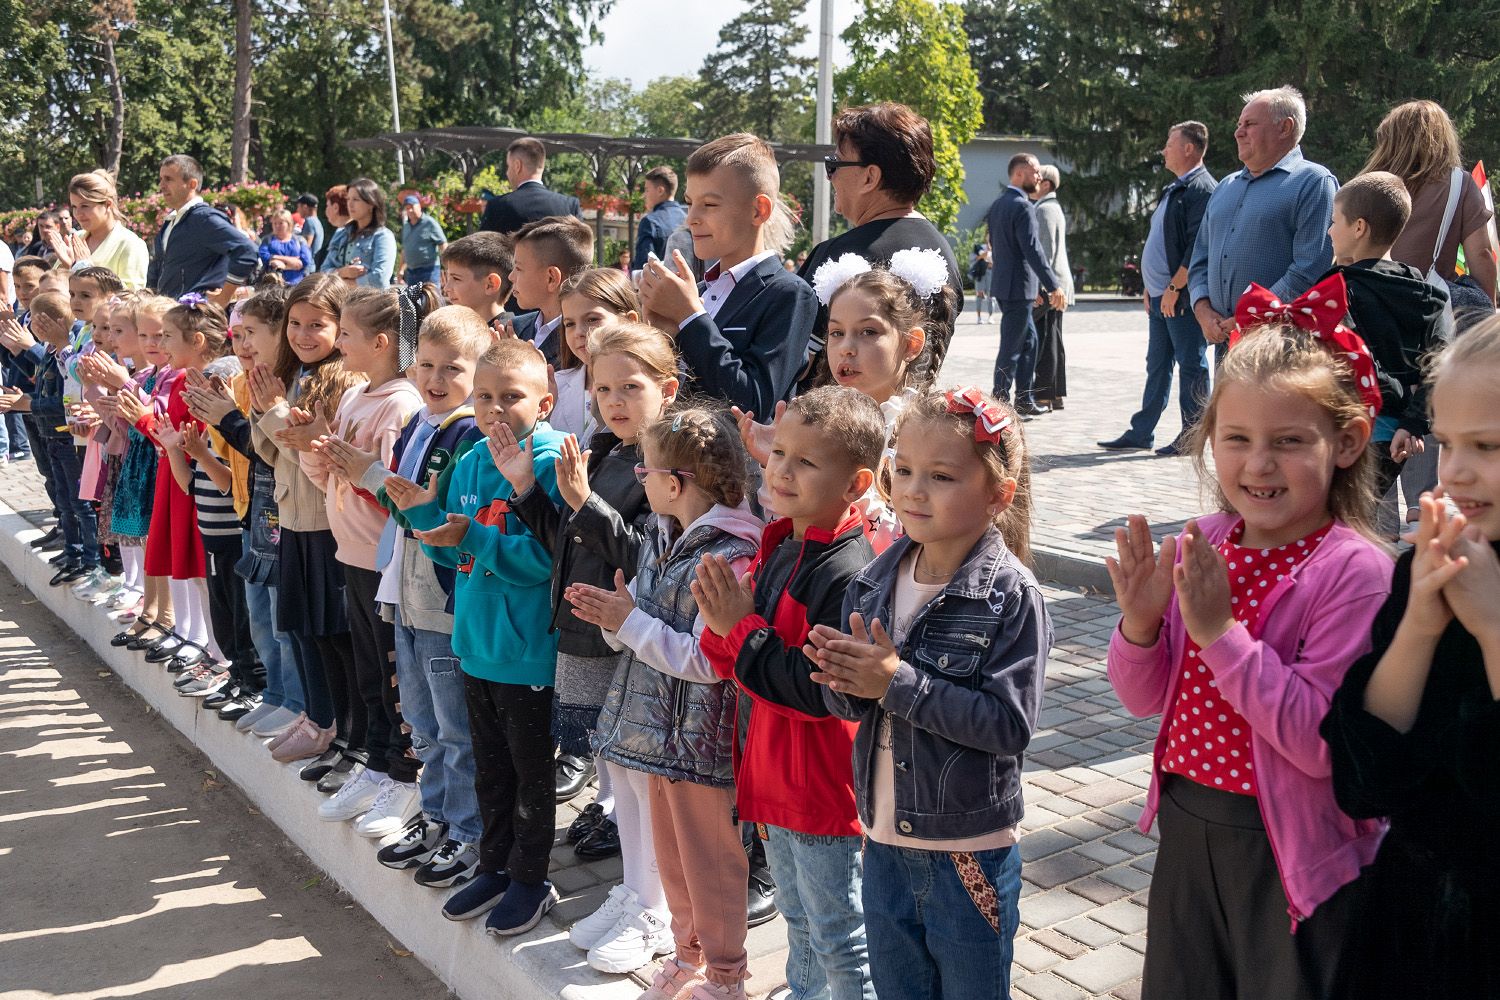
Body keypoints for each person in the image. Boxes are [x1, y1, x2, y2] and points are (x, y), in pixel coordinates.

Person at [1106, 319, 1390, 998]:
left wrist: (1220, 634)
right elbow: (1143, 700)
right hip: (1188, 825)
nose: (1258, 464)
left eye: (1289, 441)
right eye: (1237, 439)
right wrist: (1141, 625)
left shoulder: (1354, 573)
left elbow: (1322, 742)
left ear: (1346, 443)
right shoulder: (1205, 541)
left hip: (1289, 846)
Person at [811, 386, 1049, 1000]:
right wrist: (843, 680)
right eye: (906, 469)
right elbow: (860, 707)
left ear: (998, 493)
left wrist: (895, 682)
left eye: (941, 476)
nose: (914, 490)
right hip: (884, 841)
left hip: (966, 854)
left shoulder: (1011, 596)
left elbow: (1007, 725)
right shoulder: (873, 579)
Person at [1321, 320, 1500, 1000]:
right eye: (1448, 441)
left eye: (1487, 446)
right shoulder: (1430, 567)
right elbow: (1364, 783)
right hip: (1406, 932)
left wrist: (1491, 628)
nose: (1453, 469)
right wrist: (1421, 625)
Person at [567, 407, 763, 1000]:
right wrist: (616, 618)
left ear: (675, 482)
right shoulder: (670, 534)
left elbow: (710, 661)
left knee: (710, 867)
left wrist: (627, 623)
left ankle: (725, 976)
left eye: (644, 468)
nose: (638, 477)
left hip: (700, 742)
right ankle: (686, 958)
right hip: (662, 735)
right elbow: (648, 627)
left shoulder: (727, 554)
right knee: (674, 865)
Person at [697, 385, 885, 1000]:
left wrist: (738, 627)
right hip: (772, 777)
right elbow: (739, 661)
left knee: (839, 936)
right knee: (800, 922)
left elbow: (812, 689)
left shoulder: (848, 571)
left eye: (805, 462)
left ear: (857, 484)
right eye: (780, 454)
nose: (781, 469)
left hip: (821, 788)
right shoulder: (784, 541)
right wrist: (727, 626)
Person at [508, 324, 680, 972]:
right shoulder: (607, 448)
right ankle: (635, 891)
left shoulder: (671, 461)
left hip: (642, 642)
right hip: (596, 634)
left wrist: (584, 504)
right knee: (623, 776)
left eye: (630, 387)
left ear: (667, 389)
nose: (614, 399)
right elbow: (568, 541)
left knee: (646, 779)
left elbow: (652, 558)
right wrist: (531, 494)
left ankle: (658, 908)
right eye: (603, 386)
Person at [392, 337, 567, 937]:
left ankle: (530, 877)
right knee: (490, 770)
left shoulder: (547, 463)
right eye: (485, 396)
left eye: (512, 397)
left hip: (526, 652)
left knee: (528, 773)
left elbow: (544, 560)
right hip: (475, 645)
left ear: (544, 403)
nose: (495, 409)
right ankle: (493, 864)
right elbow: (449, 533)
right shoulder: (468, 460)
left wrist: (469, 537)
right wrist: (418, 513)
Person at [340, 307, 489, 889]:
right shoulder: (421, 424)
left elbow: (425, 508)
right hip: (403, 591)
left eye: (453, 367)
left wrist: (369, 473)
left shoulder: (470, 434)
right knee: (422, 722)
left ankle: (467, 833)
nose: (435, 377)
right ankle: (435, 816)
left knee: (455, 728)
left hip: (441, 600)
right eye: (425, 364)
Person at [249, 273, 363, 764]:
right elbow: (271, 453)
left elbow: (315, 456)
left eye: (317, 324)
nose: (302, 335)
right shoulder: (295, 375)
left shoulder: (344, 380)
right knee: (300, 626)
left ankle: (339, 729)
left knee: (332, 633)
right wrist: (269, 413)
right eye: (295, 323)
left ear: (342, 327)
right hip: (291, 520)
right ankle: (319, 715)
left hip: (327, 524)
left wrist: (275, 415)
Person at [637, 132, 818, 415]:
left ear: (759, 211)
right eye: (689, 202)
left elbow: (754, 403)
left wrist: (690, 317)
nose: (691, 218)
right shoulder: (700, 290)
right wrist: (660, 335)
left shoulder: (789, 294)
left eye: (709, 204)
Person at [1322, 172, 1452, 538]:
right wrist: (1412, 422)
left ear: (1359, 227)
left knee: (1341, 531)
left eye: (1335, 222)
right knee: (1363, 530)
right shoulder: (1428, 294)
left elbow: (1344, 354)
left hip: (1348, 434)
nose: (1330, 232)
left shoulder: (1336, 289)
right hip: (1399, 437)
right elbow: (1439, 363)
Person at [799, 103, 963, 384]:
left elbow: (794, 363)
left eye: (834, 165)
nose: (831, 177)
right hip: (910, 420)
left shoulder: (837, 256)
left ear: (869, 177)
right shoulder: (941, 253)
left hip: (837, 423)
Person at [1188, 87, 1338, 365]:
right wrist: (1202, 309)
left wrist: (1249, 317)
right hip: (1225, 345)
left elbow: (1309, 269)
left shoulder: (1314, 183)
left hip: (1279, 348)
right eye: (1239, 125)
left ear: (1285, 127)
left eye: (1250, 124)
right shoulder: (1225, 187)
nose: (1238, 132)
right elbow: (1200, 259)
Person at [1101, 122, 1218, 456]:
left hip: (1179, 296)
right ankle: (1142, 432)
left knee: (1191, 363)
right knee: (1157, 364)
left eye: (1170, 144)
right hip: (1159, 295)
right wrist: (1151, 288)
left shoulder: (1202, 189)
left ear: (1189, 149)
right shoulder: (1176, 188)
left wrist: (1173, 286)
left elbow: (1197, 245)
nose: (1164, 150)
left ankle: (1193, 435)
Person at [1365, 100, 1497, 314]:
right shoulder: (1459, 184)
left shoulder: (1369, 183)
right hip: (1428, 308)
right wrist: (1485, 314)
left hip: (1371, 300)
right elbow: (1481, 254)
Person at [986, 153, 1068, 417]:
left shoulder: (999, 204)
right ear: (1019, 174)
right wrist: (1053, 286)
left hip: (1012, 286)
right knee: (1011, 348)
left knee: (1030, 342)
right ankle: (999, 403)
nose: (1039, 177)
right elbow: (1032, 250)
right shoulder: (1021, 206)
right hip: (1017, 287)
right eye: (1035, 172)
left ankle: (1023, 399)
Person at [146, 155, 259, 303]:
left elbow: (247, 251)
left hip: (195, 320)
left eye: (168, 179)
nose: (161, 185)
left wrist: (223, 298)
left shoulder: (203, 218)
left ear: (192, 184)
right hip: (169, 317)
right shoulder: (171, 220)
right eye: (161, 179)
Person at [510, 215, 595, 368]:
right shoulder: (515, 329)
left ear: (551, 278)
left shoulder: (581, 344)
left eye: (518, 268)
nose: (511, 277)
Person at [45, 170, 150, 290]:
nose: (78, 214)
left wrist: (85, 269)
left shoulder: (130, 244)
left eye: (85, 206)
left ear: (107, 205)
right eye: (74, 207)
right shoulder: (75, 239)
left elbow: (131, 298)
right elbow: (52, 290)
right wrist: (65, 267)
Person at [1031, 164, 1074, 411]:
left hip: (1050, 285)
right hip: (1057, 283)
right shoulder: (1053, 208)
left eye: (1038, 178)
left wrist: (1040, 286)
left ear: (1046, 184)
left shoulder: (1045, 210)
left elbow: (1044, 252)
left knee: (1045, 340)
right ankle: (1055, 394)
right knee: (1053, 339)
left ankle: (1044, 393)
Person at [479, 137, 582, 235]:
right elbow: (581, 251)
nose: (507, 173)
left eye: (508, 166)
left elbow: (482, 252)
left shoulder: (497, 207)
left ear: (517, 166)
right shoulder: (570, 206)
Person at [440, 231, 527, 339]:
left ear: (491, 284)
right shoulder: (461, 331)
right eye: (448, 278)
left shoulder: (508, 336)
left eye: (456, 278)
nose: (447, 288)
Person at [331, 178, 396, 289]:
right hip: (342, 303)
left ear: (371, 203)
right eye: (348, 199)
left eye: (356, 199)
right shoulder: (341, 234)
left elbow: (379, 279)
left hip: (371, 304)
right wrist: (343, 272)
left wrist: (341, 284)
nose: (350, 204)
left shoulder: (383, 237)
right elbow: (324, 271)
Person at [632, 166, 688, 269]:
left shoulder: (649, 222)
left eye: (647, 190)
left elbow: (644, 268)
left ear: (660, 191)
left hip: (660, 284)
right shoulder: (688, 220)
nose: (644, 195)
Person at [400, 196, 447, 287]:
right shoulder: (406, 227)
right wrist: (400, 270)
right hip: (411, 273)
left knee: (431, 299)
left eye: (412, 207)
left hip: (429, 271)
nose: (410, 210)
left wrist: (448, 267)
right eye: (407, 208)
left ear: (419, 206)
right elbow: (405, 250)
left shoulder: (430, 223)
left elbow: (443, 244)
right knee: (413, 301)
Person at [259, 210, 314, 285]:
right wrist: (293, 261)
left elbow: (305, 260)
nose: (277, 226)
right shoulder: (267, 240)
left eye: (281, 223)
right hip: (273, 284)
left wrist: (277, 259)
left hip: (296, 284)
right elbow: (264, 256)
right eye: (275, 223)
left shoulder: (299, 240)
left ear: (289, 224)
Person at [295, 192, 325, 267]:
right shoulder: (317, 222)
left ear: (305, 207)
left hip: (308, 267)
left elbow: (306, 245)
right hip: (314, 265)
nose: (297, 210)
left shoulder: (309, 221)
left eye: (298, 207)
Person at [969, 245, 993, 321]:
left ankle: (990, 316)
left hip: (990, 273)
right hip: (980, 275)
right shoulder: (979, 247)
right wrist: (985, 254)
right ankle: (979, 317)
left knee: (991, 296)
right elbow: (974, 259)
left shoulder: (995, 246)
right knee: (979, 296)